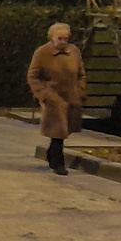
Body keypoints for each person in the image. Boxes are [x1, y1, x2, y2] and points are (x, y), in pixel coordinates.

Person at [27, 21, 88, 176]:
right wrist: (43, 93)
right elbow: (33, 76)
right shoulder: (42, 52)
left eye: (65, 38)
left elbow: (81, 73)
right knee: (58, 130)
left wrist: (81, 89)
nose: (63, 42)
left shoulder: (74, 51)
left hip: (71, 95)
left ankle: (51, 154)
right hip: (53, 96)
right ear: (52, 38)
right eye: (59, 38)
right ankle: (58, 163)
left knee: (65, 129)